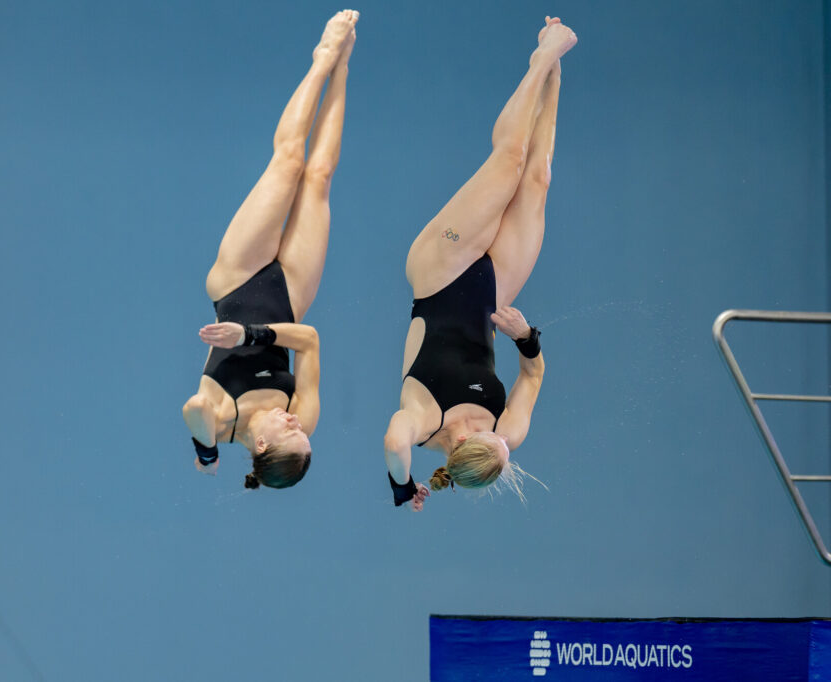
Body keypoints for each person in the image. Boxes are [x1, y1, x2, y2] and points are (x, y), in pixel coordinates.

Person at [383, 17, 576, 511]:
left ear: (465, 444)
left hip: (439, 271)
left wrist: (402, 487)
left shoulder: (423, 420)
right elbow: (532, 376)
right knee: (537, 179)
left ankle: (541, 57)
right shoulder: (506, 430)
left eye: (493, 442)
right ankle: (554, 73)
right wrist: (525, 337)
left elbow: (394, 442)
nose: (501, 437)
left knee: (508, 161)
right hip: (494, 295)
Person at [183, 10, 358, 490]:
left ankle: (322, 58)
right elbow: (310, 340)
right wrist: (250, 336)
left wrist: (206, 453)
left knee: (288, 163)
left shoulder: (221, 418)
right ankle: (342, 67)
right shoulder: (304, 414)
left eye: (291, 434)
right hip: (290, 299)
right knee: (319, 177)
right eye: (305, 435)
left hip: (236, 282)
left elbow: (193, 408)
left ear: (261, 446)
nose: (299, 425)